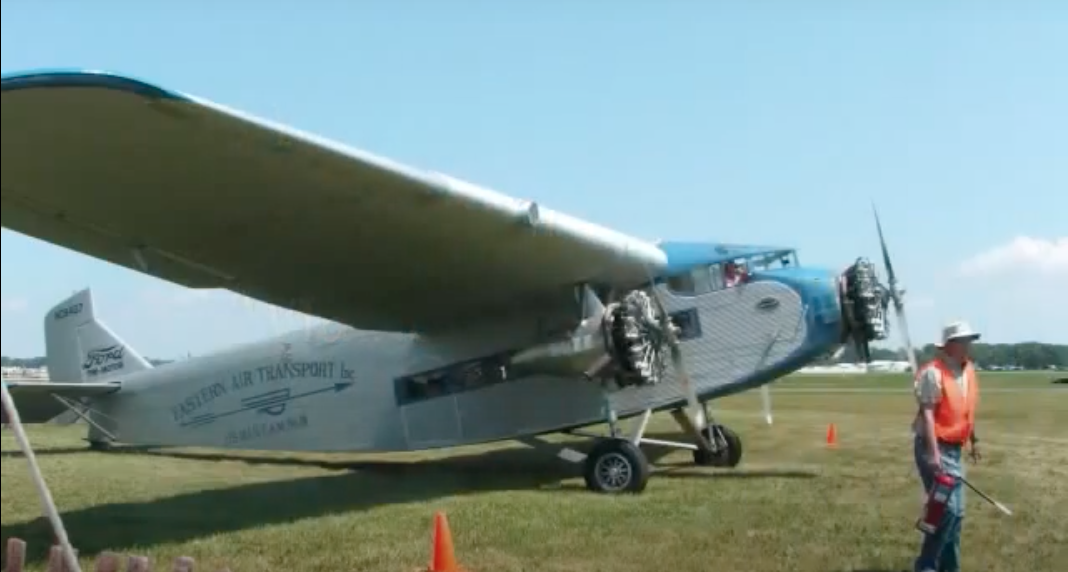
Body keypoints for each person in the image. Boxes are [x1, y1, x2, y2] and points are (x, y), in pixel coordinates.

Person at [912, 320, 983, 572]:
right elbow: (928, 414)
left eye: (970, 340)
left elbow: (966, 410)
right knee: (947, 512)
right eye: (964, 341)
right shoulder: (934, 373)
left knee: (957, 514)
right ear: (950, 345)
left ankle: (949, 568)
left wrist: (973, 440)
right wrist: (933, 454)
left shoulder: (968, 370)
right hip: (934, 446)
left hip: (954, 448)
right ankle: (926, 567)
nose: (968, 345)